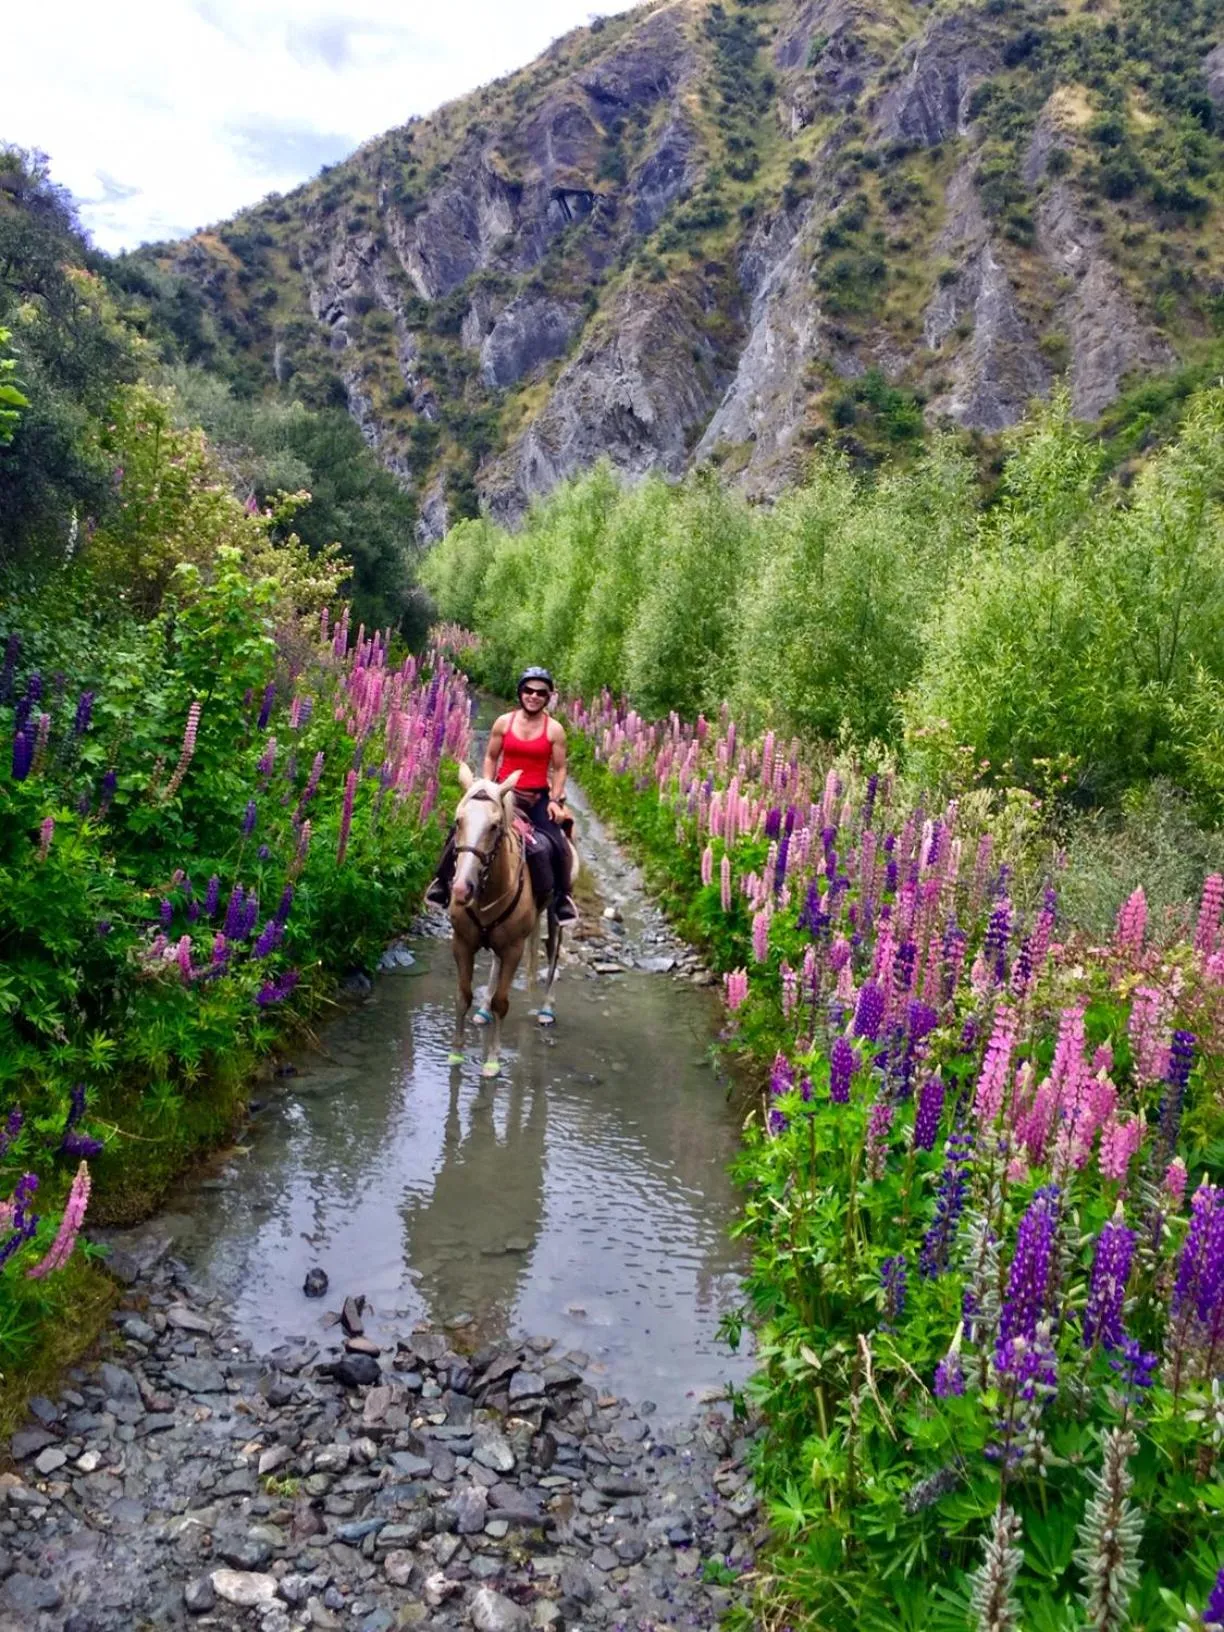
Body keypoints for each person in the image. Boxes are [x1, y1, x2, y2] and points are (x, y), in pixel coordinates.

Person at [427, 666, 579, 925]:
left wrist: (554, 799)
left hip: (536, 798)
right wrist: (487, 787)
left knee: (555, 843)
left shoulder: (554, 730)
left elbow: (560, 767)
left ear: (548, 697)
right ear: (520, 693)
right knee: (459, 833)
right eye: (528, 690)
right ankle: (442, 884)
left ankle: (561, 899)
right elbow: (491, 756)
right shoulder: (503, 723)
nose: (534, 696)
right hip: (503, 793)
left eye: (541, 693)